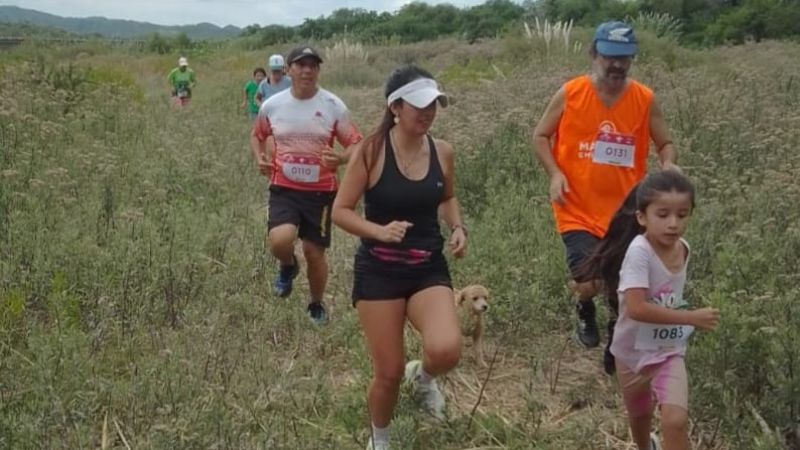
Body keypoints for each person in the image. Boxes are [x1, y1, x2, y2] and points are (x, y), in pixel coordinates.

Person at [531, 21, 679, 373]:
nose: (616, 65)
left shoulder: (644, 99)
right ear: (594, 55)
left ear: (632, 59)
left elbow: (665, 143)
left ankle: (617, 337)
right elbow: (539, 136)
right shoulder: (571, 93)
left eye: (624, 58)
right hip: (576, 207)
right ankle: (584, 307)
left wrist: (669, 163)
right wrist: (555, 174)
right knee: (588, 282)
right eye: (610, 57)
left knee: (622, 284)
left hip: (627, 210)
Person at [332, 66, 467, 450]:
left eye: (434, 105)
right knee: (387, 372)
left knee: (446, 349)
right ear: (395, 107)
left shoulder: (443, 151)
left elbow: (447, 197)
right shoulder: (370, 152)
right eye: (419, 106)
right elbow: (341, 210)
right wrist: (379, 231)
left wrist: (458, 227)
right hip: (379, 271)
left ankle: (423, 379)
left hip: (427, 267)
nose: (428, 113)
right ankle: (381, 439)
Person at [575, 170, 719, 450]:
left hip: (668, 352)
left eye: (682, 214)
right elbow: (638, 309)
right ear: (642, 217)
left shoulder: (684, 249)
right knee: (640, 415)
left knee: (675, 420)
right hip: (631, 353)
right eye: (663, 214)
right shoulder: (639, 252)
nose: (673, 223)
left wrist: (682, 322)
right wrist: (690, 317)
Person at [250, 45, 362, 324]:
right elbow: (257, 135)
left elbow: (357, 143)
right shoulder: (273, 105)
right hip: (283, 188)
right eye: (300, 65)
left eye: (313, 65)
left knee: (314, 253)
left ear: (318, 70)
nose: (307, 70)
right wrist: (259, 158)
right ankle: (288, 266)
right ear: (288, 70)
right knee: (280, 241)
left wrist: (341, 158)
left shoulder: (333, 106)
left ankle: (315, 304)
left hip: (320, 193)